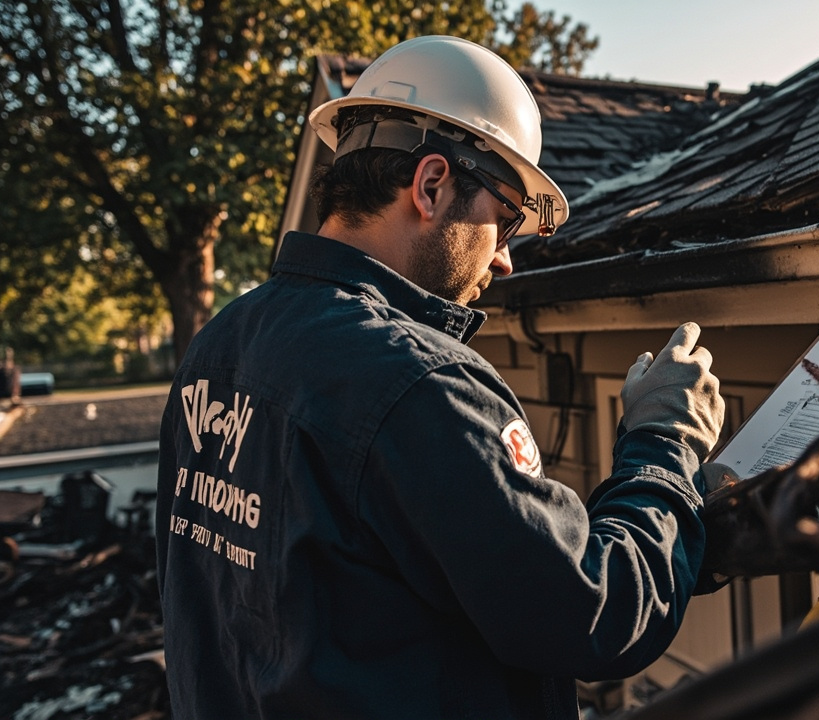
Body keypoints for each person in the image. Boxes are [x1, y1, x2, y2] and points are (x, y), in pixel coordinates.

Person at [155, 35, 725, 720]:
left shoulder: (219, 347)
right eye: (507, 219)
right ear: (431, 185)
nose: (507, 259)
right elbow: (592, 613)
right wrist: (663, 445)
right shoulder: (418, 385)